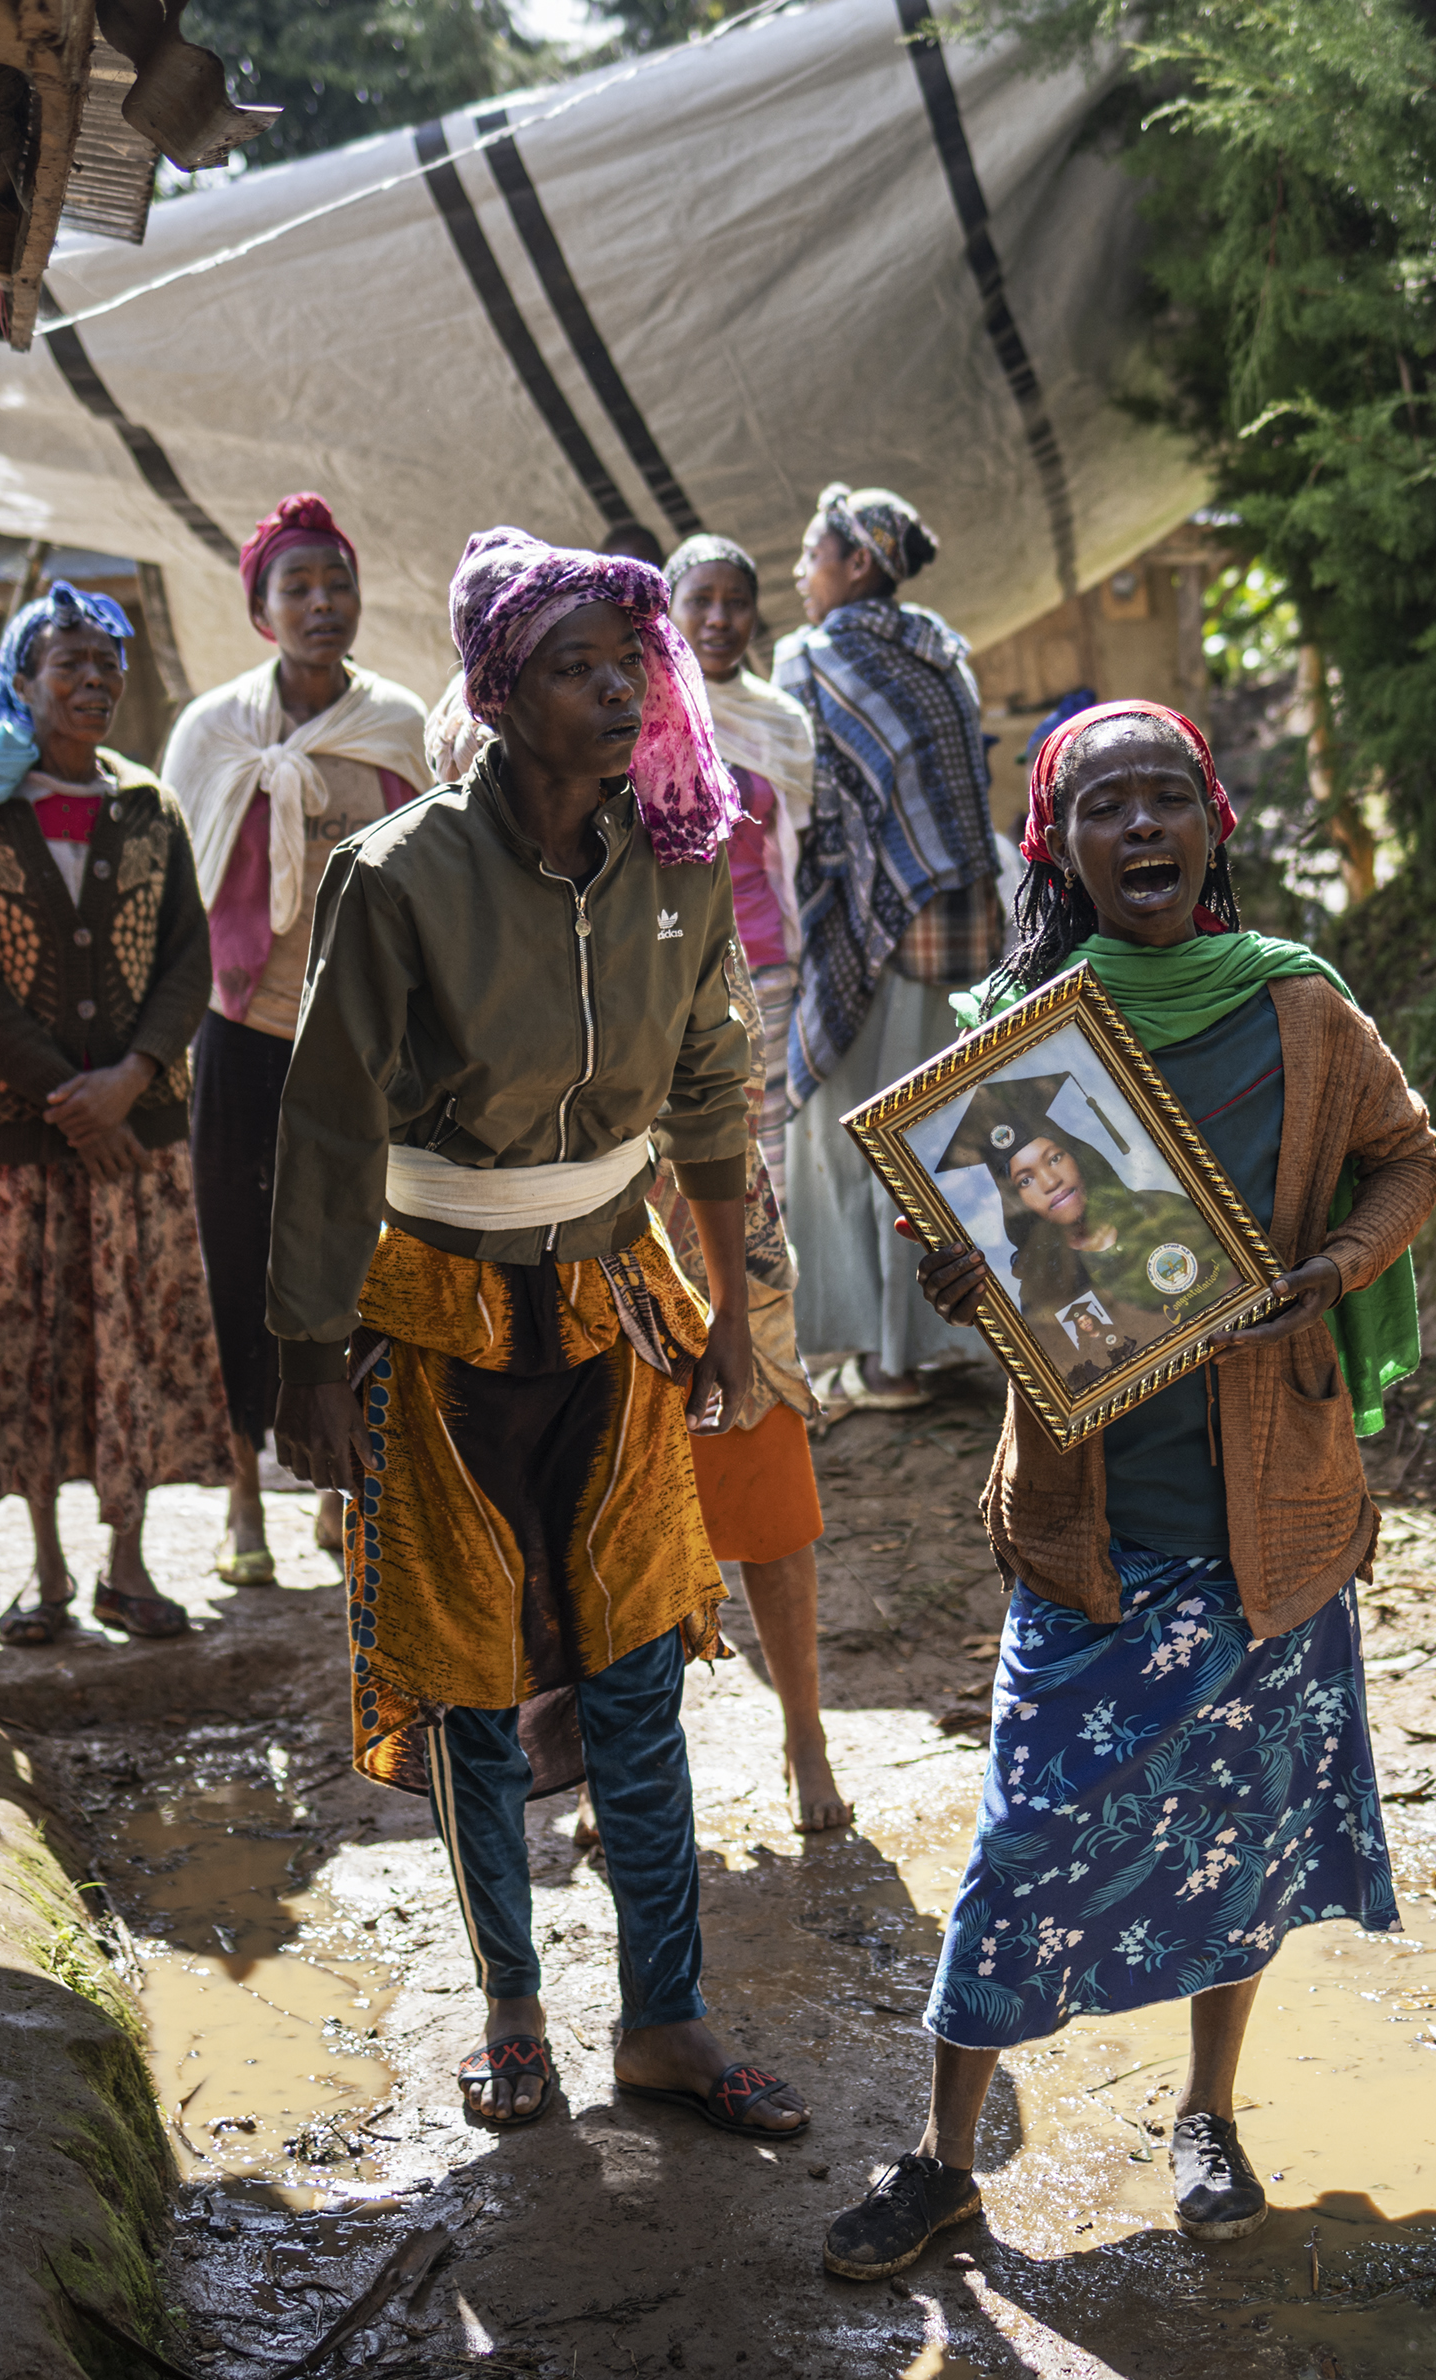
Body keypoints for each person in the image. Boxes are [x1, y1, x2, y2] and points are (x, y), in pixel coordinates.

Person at [820, 700, 1436, 2280]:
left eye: (1170, 799)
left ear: (1214, 827)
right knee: (1021, 1840)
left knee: (1240, 1834)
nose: (1144, 828)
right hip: (1094, 1525)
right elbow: (988, 1255)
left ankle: (1210, 2117)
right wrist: (971, 1280)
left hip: (1268, 1518)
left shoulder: (1302, 1010)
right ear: (1059, 848)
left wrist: (1338, 1268)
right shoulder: (1016, 1035)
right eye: (1107, 808)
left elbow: (1411, 1156)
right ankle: (942, 2159)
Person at [267, 527, 809, 2143]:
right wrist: (306, 1358)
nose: (622, 685)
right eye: (580, 664)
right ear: (500, 693)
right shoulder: (399, 877)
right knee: (469, 1679)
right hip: (433, 1327)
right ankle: (510, 2005)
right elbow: (324, 1127)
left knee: (642, 1663)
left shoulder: (683, 867)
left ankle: (667, 2016)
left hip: (615, 1314)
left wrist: (724, 1314)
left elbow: (712, 1095)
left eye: (630, 662)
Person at [0, 583, 234, 1645]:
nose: (93, 682)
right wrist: (71, 1100)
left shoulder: (151, 809)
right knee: (41, 1351)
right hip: (29, 1141)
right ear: (21, 682)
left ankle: (129, 1566)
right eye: (69, 664)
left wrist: (130, 1080)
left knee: (130, 1343)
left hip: (136, 1137)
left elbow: (190, 960)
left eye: (108, 665)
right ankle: (47, 1571)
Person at [159, 495, 429, 1584]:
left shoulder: (398, 726)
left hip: (364, 1040)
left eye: (338, 584)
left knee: (358, 1259)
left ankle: (338, 1483)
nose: (323, 603)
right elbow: (177, 896)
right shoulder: (213, 731)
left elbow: (430, 887)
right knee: (239, 1256)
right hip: (239, 1035)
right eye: (298, 587)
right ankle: (241, 1498)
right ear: (261, 611)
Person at [644, 533, 843, 1831]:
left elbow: (735, 939)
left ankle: (806, 1735)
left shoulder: (743, 748)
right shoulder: (574, 778)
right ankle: (639, 1768)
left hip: (715, 1145)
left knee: (761, 1444)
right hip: (596, 1180)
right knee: (623, 1466)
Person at [777, 483, 1000, 1419]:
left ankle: (884, 1364)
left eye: (810, 554)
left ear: (856, 563)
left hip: (862, 925)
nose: (797, 572)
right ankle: (937, 1343)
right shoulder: (941, 652)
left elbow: (809, 806)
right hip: (962, 923)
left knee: (842, 1135)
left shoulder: (815, 658)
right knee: (933, 1130)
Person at [935, 1082, 1196, 1388]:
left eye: (1055, 1158)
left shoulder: (1160, 1208)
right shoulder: (1040, 1282)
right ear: (1017, 1202)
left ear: (1077, 1155)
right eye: (1025, 1180)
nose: (1049, 1181)